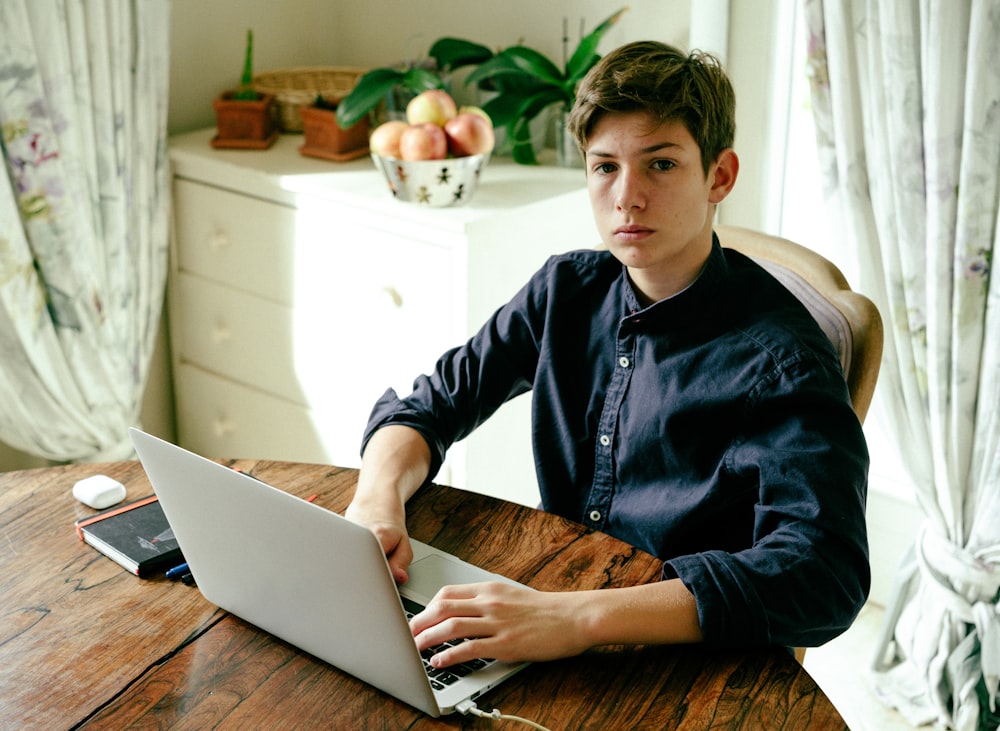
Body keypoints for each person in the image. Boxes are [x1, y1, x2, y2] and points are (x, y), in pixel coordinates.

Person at [345, 40, 870, 670]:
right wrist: (375, 501)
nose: (626, 196)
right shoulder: (567, 289)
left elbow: (823, 573)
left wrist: (575, 619)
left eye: (661, 165)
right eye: (604, 167)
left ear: (719, 175)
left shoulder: (781, 359)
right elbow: (432, 405)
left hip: (682, 660)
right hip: (552, 609)